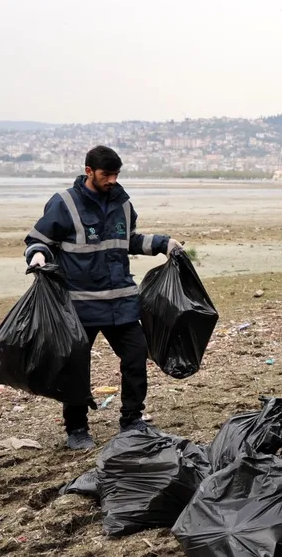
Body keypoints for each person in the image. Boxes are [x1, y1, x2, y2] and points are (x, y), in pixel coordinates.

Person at [23, 146, 181, 450]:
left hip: (120, 303)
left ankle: (132, 420)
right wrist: (39, 256)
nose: (112, 180)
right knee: (75, 367)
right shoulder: (64, 204)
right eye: (106, 174)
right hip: (79, 306)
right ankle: (77, 428)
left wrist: (164, 243)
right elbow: (38, 240)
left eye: (116, 174)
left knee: (136, 357)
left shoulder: (122, 203)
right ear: (88, 172)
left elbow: (128, 241)